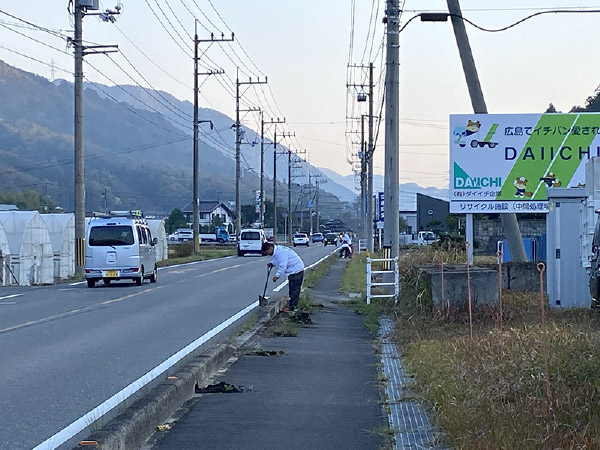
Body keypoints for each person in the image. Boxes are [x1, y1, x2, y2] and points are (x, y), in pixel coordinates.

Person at [261, 242, 305, 312]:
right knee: (292, 289)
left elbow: (282, 266)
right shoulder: (277, 251)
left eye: (267, 252)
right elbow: (277, 260)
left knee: (294, 290)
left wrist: (277, 276)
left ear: (270, 248)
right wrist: (272, 263)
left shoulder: (281, 252)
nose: (267, 254)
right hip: (293, 271)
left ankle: (292, 308)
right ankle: (293, 305)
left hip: (296, 270)